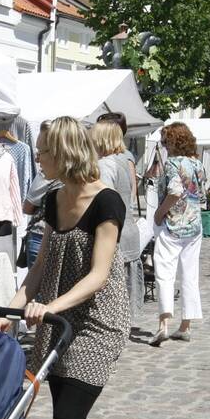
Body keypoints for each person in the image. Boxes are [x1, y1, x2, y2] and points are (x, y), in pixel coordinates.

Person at [0, 117, 129, 419]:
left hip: (97, 321)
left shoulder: (106, 202)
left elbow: (99, 274)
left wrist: (53, 305)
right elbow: (40, 267)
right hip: (57, 317)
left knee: (71, 417)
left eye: (44, 152)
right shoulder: (53, 199)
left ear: (65, 153)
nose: (38, 159)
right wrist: (10, 310)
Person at [150, 123, 205, 347]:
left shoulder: (173, 163)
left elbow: (175, 191)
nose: (163, 146)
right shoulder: (197, 163)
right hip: (194, 225)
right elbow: (199, 194)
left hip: (172, 223)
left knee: (164, 273)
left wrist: (159, 212)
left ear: (173, 142)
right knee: (189, 275)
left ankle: (163, 324)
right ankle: (185, 325)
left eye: (165, 142)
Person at [92, 121, 143, 320]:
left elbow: (105, 202)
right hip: (129, 229)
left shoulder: (105, 165)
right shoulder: (124, 160)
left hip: (116, 233)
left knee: (112, 293)